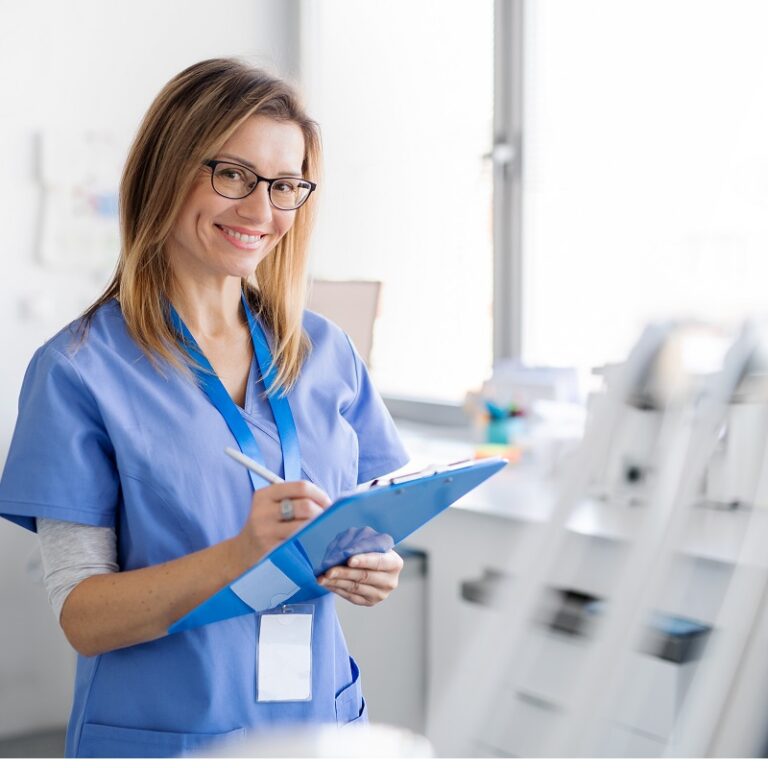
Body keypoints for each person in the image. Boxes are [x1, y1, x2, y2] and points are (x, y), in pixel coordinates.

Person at [0, 58, 409, 758]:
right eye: (233, 175)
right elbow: (82, 616)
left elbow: (371, 517)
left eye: (284, 186)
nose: (260, 212)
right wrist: (239, 556)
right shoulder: (78, 372)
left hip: (318, 726)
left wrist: (372, 562)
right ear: (166, 169)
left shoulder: (325, 352)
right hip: (165, 735)